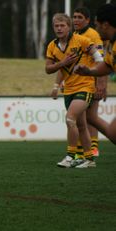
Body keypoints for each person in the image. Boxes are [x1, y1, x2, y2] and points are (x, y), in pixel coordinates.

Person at [45, 13, 104, 168]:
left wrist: (92, 72)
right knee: (81, 125)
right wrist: (56, 84)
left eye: (62, 25)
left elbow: (100, 60)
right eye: (56, 26)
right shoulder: (52, 46)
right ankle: (90, 160)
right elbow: (48, 69)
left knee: (70, 118)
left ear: (69, 27)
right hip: (69, 89)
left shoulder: (82, 41)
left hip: (85, 86)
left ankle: (70, 156)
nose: (59, 28)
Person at [75, 3, 116, 144]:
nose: (96, 27)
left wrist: (101, 83)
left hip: (89, 86)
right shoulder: (112, 43)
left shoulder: (94, 36)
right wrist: (89, 71)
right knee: (111, 131)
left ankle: (91, 150)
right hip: (84, 83)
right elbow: (107, 65)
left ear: (105, 24)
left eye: (96, 24)